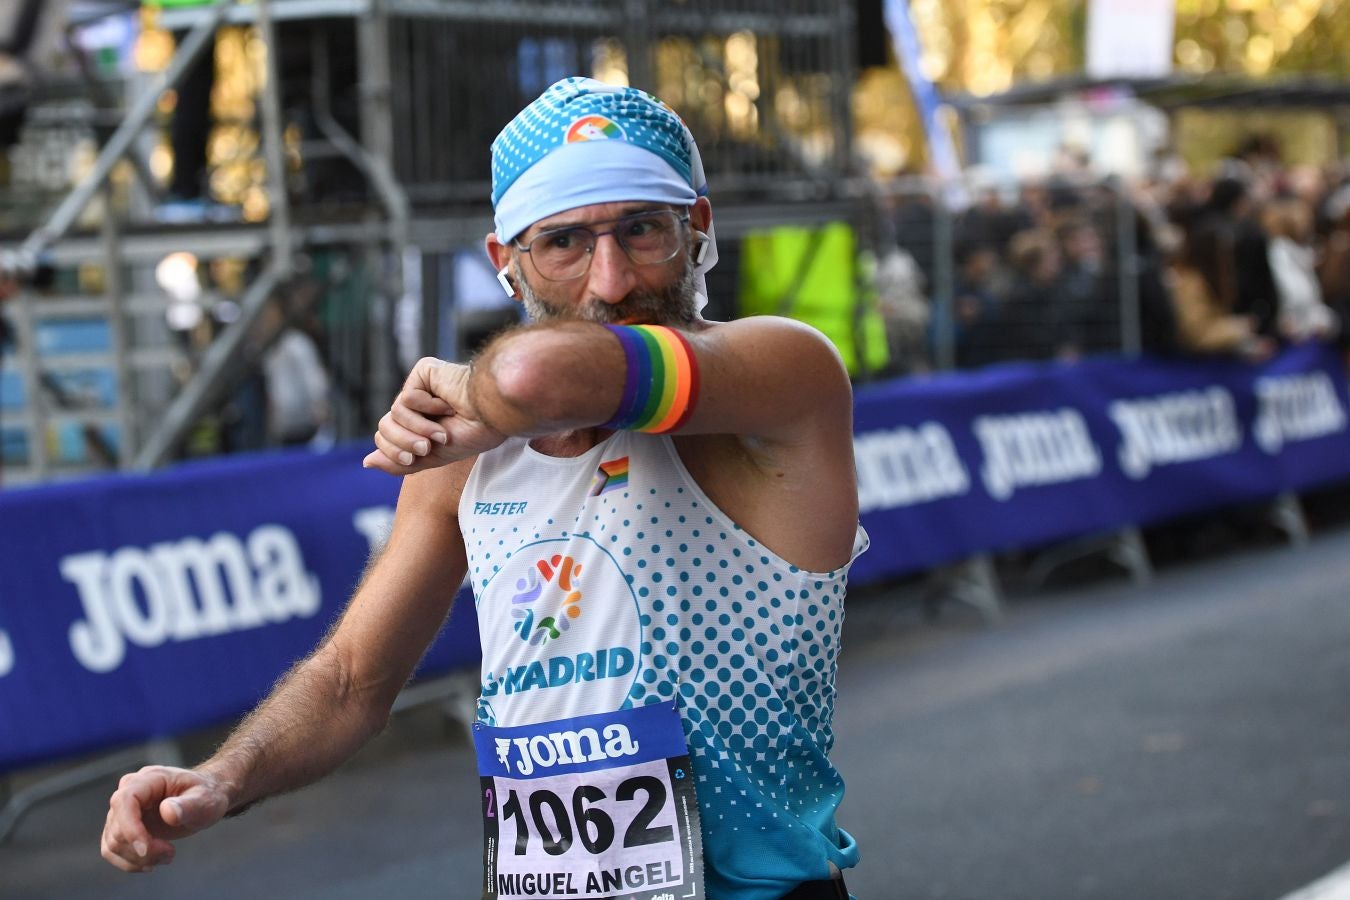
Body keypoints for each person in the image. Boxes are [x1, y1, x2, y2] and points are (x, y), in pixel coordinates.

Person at [100, 77, 866, 900]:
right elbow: (351, 679)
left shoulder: (783, 376)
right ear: (506, 263)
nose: (611, 281)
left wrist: (470, 387)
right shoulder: (473, 455)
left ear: (698, 228)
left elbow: (537, 374)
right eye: (563, 242)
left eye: (643, 229)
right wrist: (221, 778)